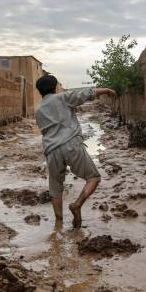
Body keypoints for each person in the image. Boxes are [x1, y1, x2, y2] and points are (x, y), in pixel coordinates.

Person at [34, 74, 116, 228]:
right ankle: (77, 205)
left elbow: (44, 131)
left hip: (51, 150)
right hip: (71, 144)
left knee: (55, 188)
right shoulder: (62, 98)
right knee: (94, 178)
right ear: (56, 87)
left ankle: (58, 225)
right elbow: (84, 94)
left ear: (40, 92)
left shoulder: (38, 111)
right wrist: (105, 90)